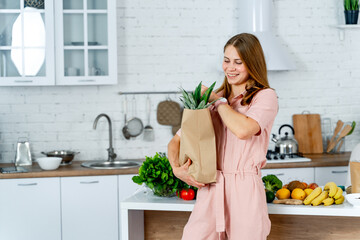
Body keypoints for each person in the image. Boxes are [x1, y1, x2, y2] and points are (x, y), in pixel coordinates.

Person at [167, 33, 278, 240]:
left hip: (245, 190)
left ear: (252, 64)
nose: (230, 67)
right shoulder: (212, 98)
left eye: (238, 62)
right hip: (211, 186)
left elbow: (244, 130)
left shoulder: (264, 97)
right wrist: (177, 169)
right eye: (226, 60)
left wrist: (219, 102)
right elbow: (176, 141)